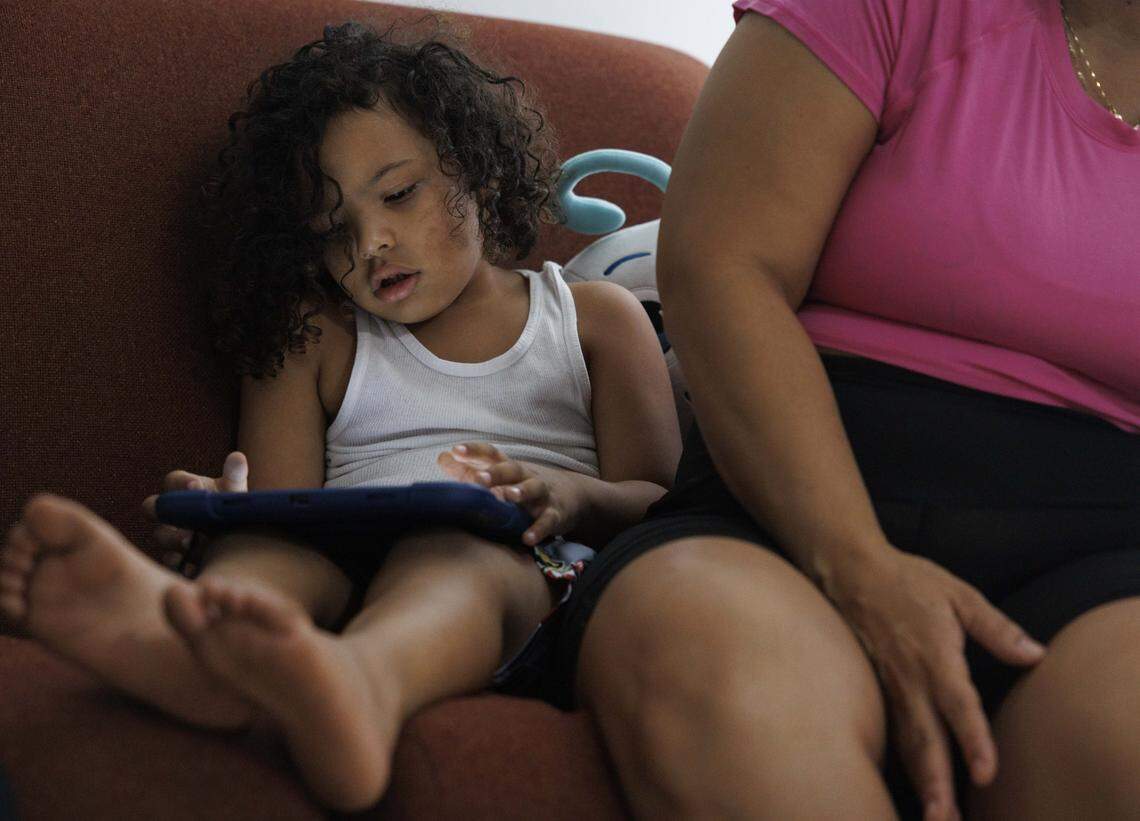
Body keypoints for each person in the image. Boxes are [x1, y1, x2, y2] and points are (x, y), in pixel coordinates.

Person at [0, 21, 680, 813]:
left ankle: (365, 683)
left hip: (516, 574)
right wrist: (222, 510)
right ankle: (180, 644)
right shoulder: (313, 336)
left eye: (397, 193)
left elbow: (662, 504)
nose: (370, 241)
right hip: (336, 565)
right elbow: (285, 501)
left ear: (479, 171)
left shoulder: (591, 319)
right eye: (331, 229)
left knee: (453, 557)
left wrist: (567, 493)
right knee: (265, 548)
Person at [548, 1, 1140, 820]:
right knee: (731, 685)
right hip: (775, 508)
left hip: (1108, 561)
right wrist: (857, 562)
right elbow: (721, 264)